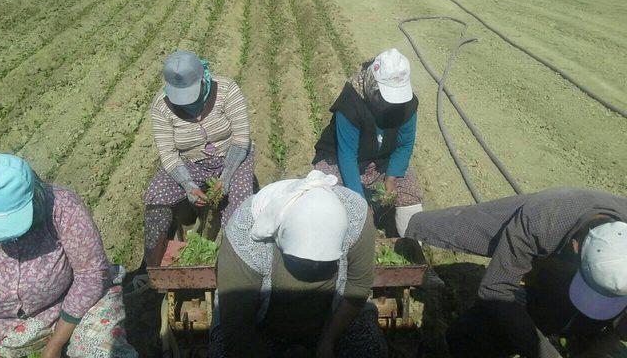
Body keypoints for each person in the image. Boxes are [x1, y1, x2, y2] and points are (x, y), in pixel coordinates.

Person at [404, 187, 627, 358]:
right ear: (576, 248)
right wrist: (544, 352)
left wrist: (605, 342)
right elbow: (496, 289)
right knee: (467, 337)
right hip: (550, 270)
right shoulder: (544, 218)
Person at [208, 170, 387, 358]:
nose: (316, 268)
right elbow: (238, 328)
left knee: (369, 348)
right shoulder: (246, 233)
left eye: (324, 263)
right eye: (304, 262)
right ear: (281, 236)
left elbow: (357, 287)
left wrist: (328, 342)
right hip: (260, 326)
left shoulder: (356, 217)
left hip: (333, 320)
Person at [0, 153, 137, 358]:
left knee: (100, 352)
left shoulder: (61, 205)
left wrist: (55, 344)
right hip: (6, 325)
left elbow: (91, 274)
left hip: (78, 299)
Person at [144, 50, 253, 265]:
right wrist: (188, 185)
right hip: (190, 162)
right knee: (156, 195)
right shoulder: (161, 106)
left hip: (232, 156)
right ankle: (150, 265)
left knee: (240, 202)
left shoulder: (227, 90)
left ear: (203, 77)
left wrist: (226, 177)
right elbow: (167, 153)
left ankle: (237, 262)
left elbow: (241, 139)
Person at [313, 48, 422, 237]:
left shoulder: (408, 105)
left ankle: (411, 247)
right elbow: (347, 155)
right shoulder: (351, 103)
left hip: (381, 161)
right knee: (326, 194)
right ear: (373, 84)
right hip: (340, 160)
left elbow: (405, 145)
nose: (391, 105)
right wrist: (360, 202)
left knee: (410, 195)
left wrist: (391, 177)